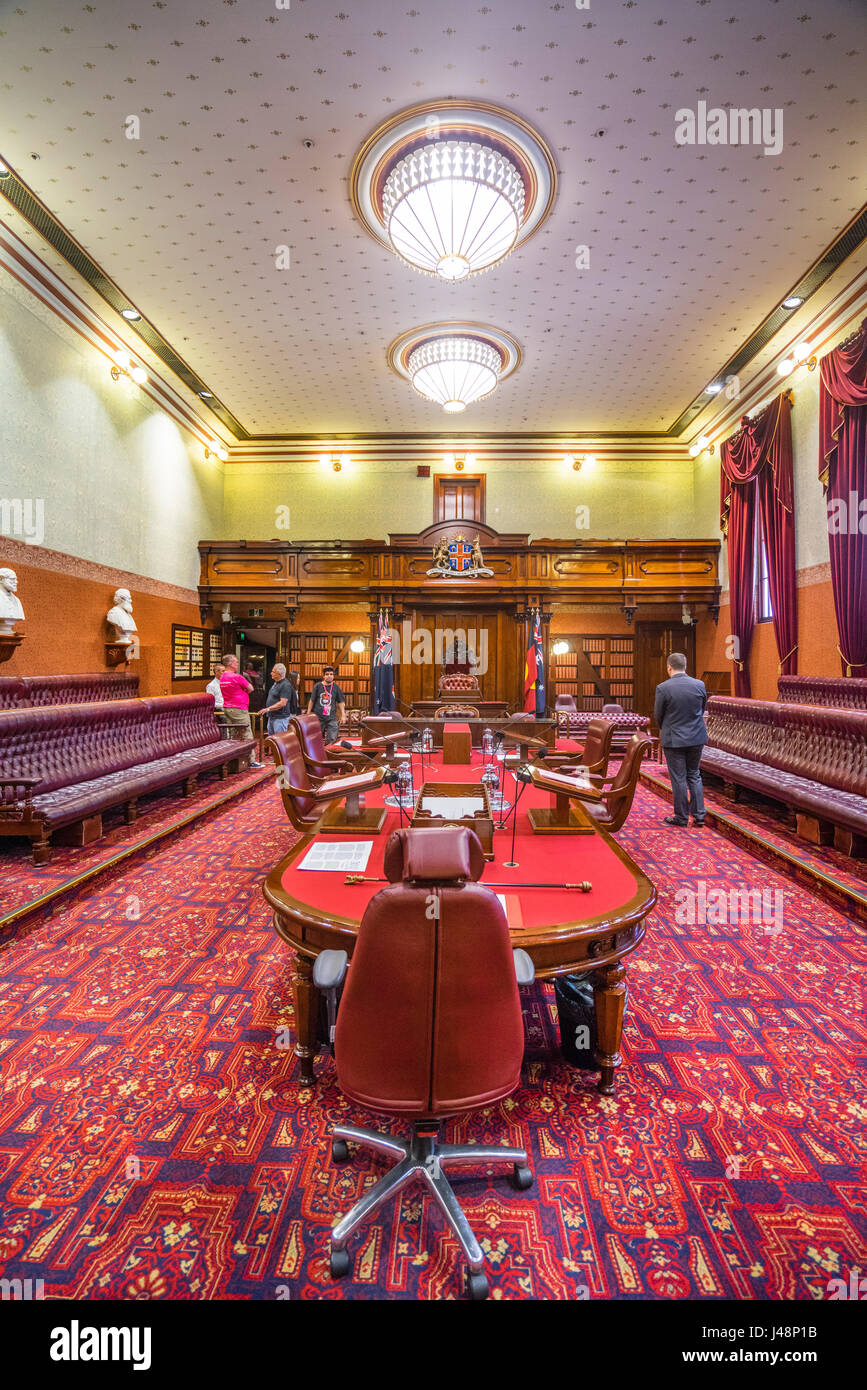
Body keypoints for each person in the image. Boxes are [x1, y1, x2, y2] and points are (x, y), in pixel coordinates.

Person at [654, 652, 707, 828]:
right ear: (685, 666)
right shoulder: (699, 685)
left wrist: (667, 728)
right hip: (696, 737)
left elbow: (658, 715)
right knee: (694, 775)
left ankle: (681, 817)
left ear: (669, 667)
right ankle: (699, 815)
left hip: (674, 739)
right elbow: (702, 708)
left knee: (678, 778)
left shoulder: (663, 688)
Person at [219, 653, 265, 768]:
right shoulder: (236, 677)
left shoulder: (222, 677)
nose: (237, 664)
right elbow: (251, 688)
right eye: (236, 662)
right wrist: (244, 693)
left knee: (234, 733)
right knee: (247, 732)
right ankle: (251, 760)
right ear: (230, 664)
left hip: (227, 708)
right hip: (239, 708)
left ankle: (235, 760)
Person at [307, 664, 345, 746]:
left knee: (332, 738)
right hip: (318, 717)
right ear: (323, 676)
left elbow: (341, 701)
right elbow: (312, 700)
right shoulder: (317, 686)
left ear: (333, 676)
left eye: (331, 674)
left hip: (331, 717)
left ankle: (329, 755)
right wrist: (308, 713)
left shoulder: (336, 687)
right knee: (316, 739)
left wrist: (343, 714)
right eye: (327, 674)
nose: (329, 676)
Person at [262, 662, 299, 734]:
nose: (271, 673)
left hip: (280, 718)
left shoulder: (285, 685)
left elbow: (283, 703)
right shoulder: (276, 683)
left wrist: (268, 709)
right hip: (272, 716)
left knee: (280, 741)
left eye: (273, 672)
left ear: (279, 674)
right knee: (272, 740)